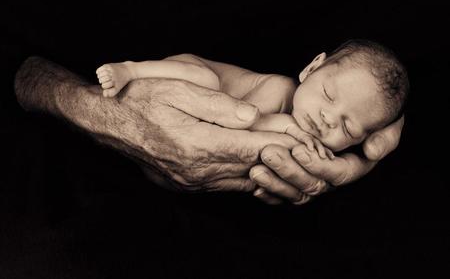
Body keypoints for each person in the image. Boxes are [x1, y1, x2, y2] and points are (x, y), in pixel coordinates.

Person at [14, 47, 405, 205]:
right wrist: (290, 131)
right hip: (183, 74)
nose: (326, 119)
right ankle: (129, 67)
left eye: (348, 128)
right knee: (210, 84)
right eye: (329, 97)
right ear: (311, 68)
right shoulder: (281, 88)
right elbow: (247, 120)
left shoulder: (326, 130)